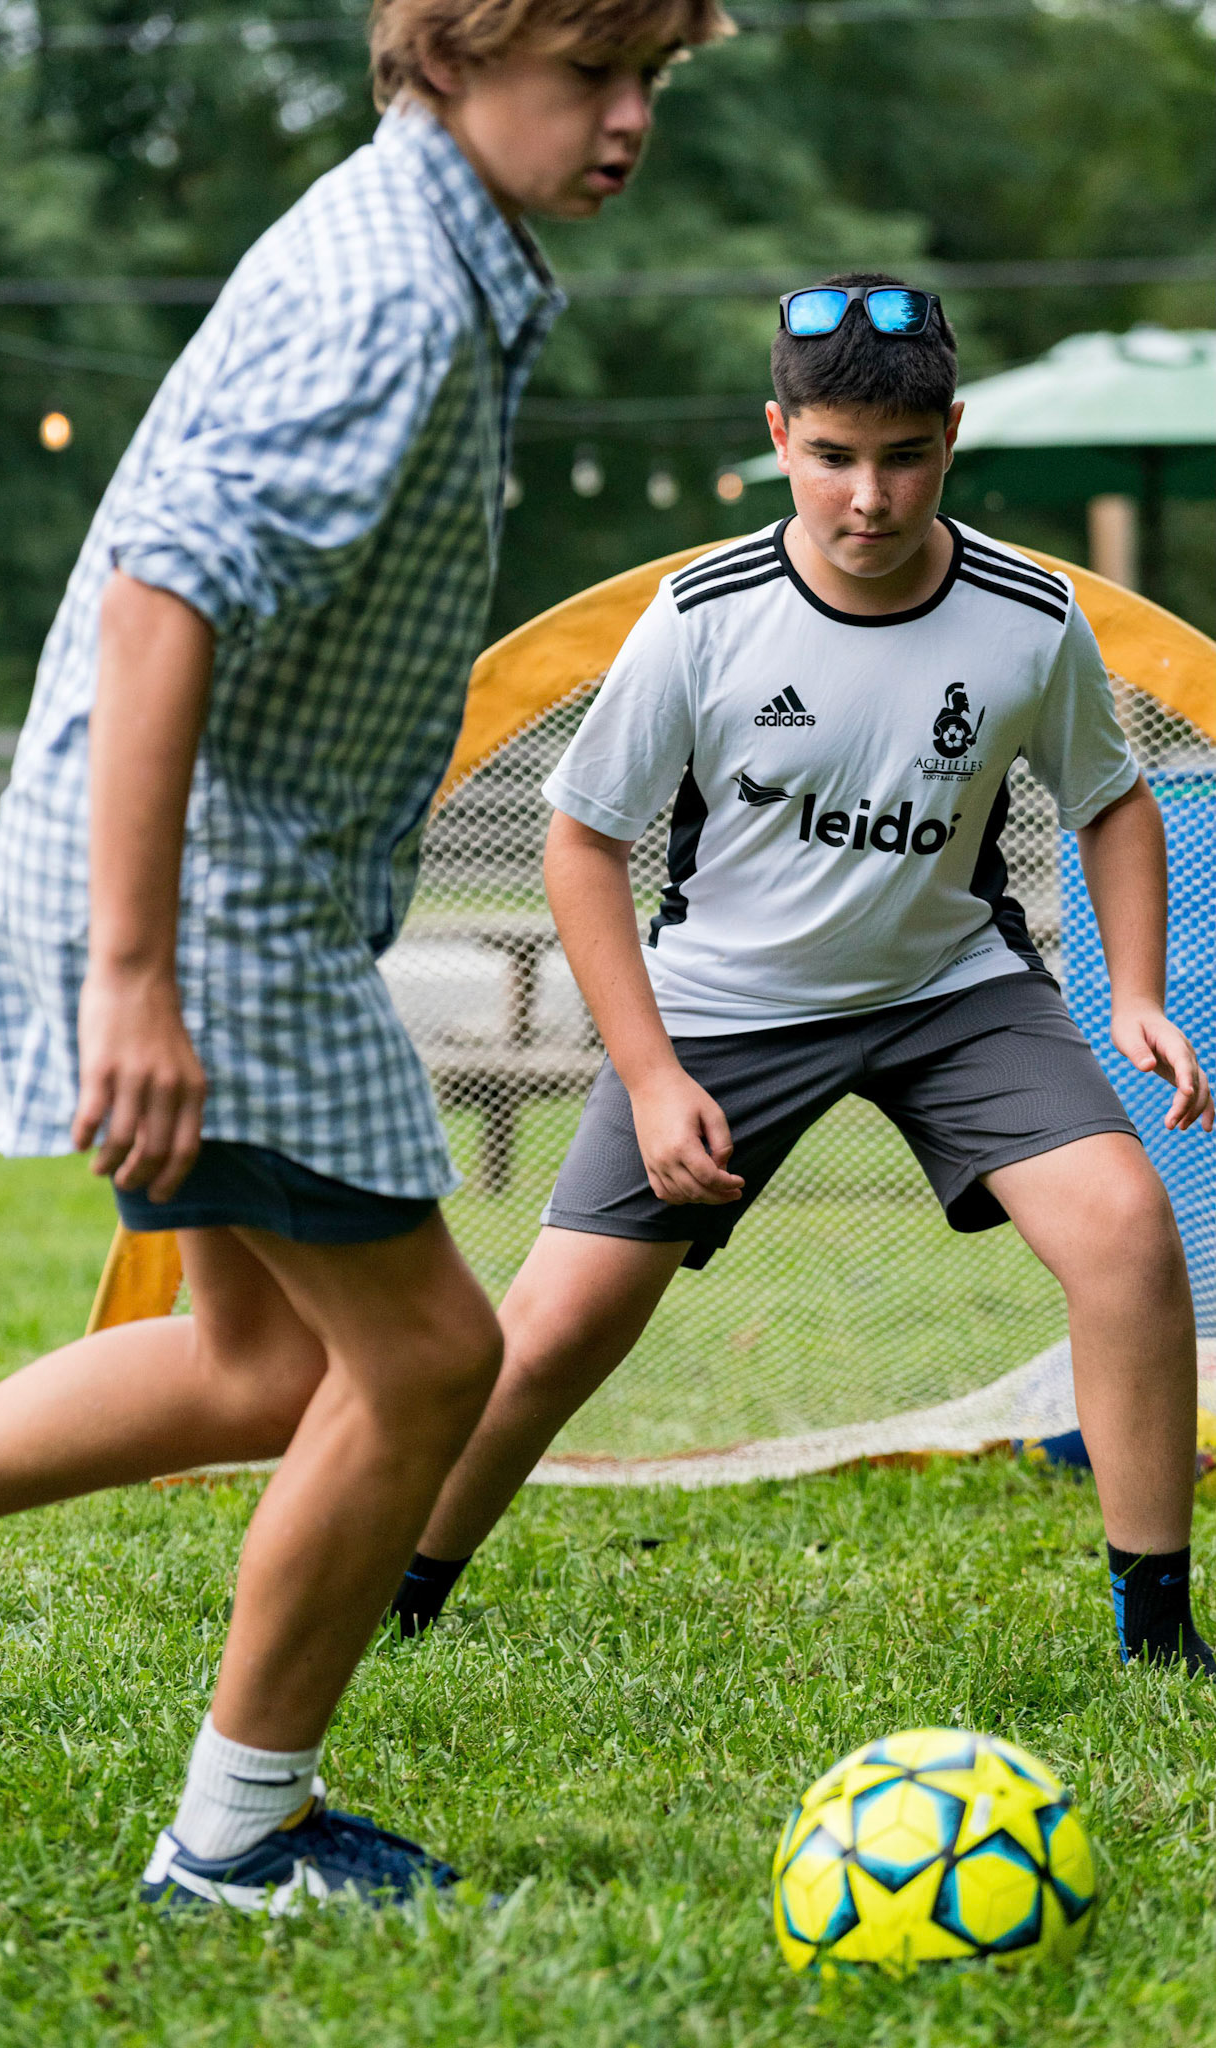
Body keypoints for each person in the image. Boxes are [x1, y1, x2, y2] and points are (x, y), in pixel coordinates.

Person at [0, 0, 732, 1914]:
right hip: (218, 901)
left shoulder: (423, 248)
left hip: (193, 873)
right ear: (454, 52)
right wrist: (125, 967)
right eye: (590, 73)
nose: (627, 119)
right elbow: (167, 589)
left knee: (261, 1359)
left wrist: (89, 917)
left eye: (650, 80)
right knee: (431, 1353)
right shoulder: (394, 294)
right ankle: (237, 1840)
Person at [392, 272, 1216, 1678]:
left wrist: (1134, 991)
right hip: (721, 1010)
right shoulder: (699, 617)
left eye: (903, 460)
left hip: (952, 994)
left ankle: (1156, 1633)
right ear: (780, 436)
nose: (869, 498)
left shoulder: (1030, 615)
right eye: (832, 457)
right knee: (549, 1332)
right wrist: (651, 1081)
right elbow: (581, 844)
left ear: (949, 437)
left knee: (1127, 1232)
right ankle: (395, 1591)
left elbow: (1112, 800)